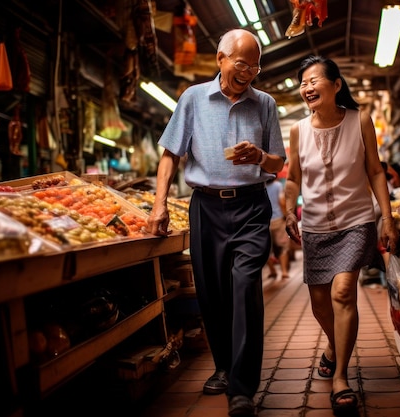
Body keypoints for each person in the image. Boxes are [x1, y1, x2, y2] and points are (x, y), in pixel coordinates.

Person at [147, 29, 286, 417]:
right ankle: (224, 367)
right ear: (221, 59)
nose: (249, 73)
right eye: (242, 64)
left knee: (244, 289)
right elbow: (169, 155)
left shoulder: (266, 104)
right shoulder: (192, 99)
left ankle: (242, 388)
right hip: (206, 207)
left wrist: (259, 155)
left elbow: (278, 163)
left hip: (251, 208)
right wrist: (159, 206)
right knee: (212, 294)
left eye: (255, 66)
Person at [283, 56, 399, 415]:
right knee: (320, 304)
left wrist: (388, 218)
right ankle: (334, 347)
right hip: (315, 225)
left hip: (355, 221)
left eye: (314, 79)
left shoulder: (360, 120)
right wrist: (289, 209)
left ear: (336, 85)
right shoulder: (298, 130)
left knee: (343, 291)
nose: (307, 87)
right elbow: (293, 179)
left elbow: (376, 171)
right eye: (303, 82)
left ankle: (341, 378)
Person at [265, 177, 290, 279]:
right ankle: (284, 271)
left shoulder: (261, 187)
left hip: (265, 221)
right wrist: (286, 216)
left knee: (266, 248)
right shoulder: (278, 185)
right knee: (283, 246)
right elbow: (282, 201)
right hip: (278, 219)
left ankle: (272, 270)